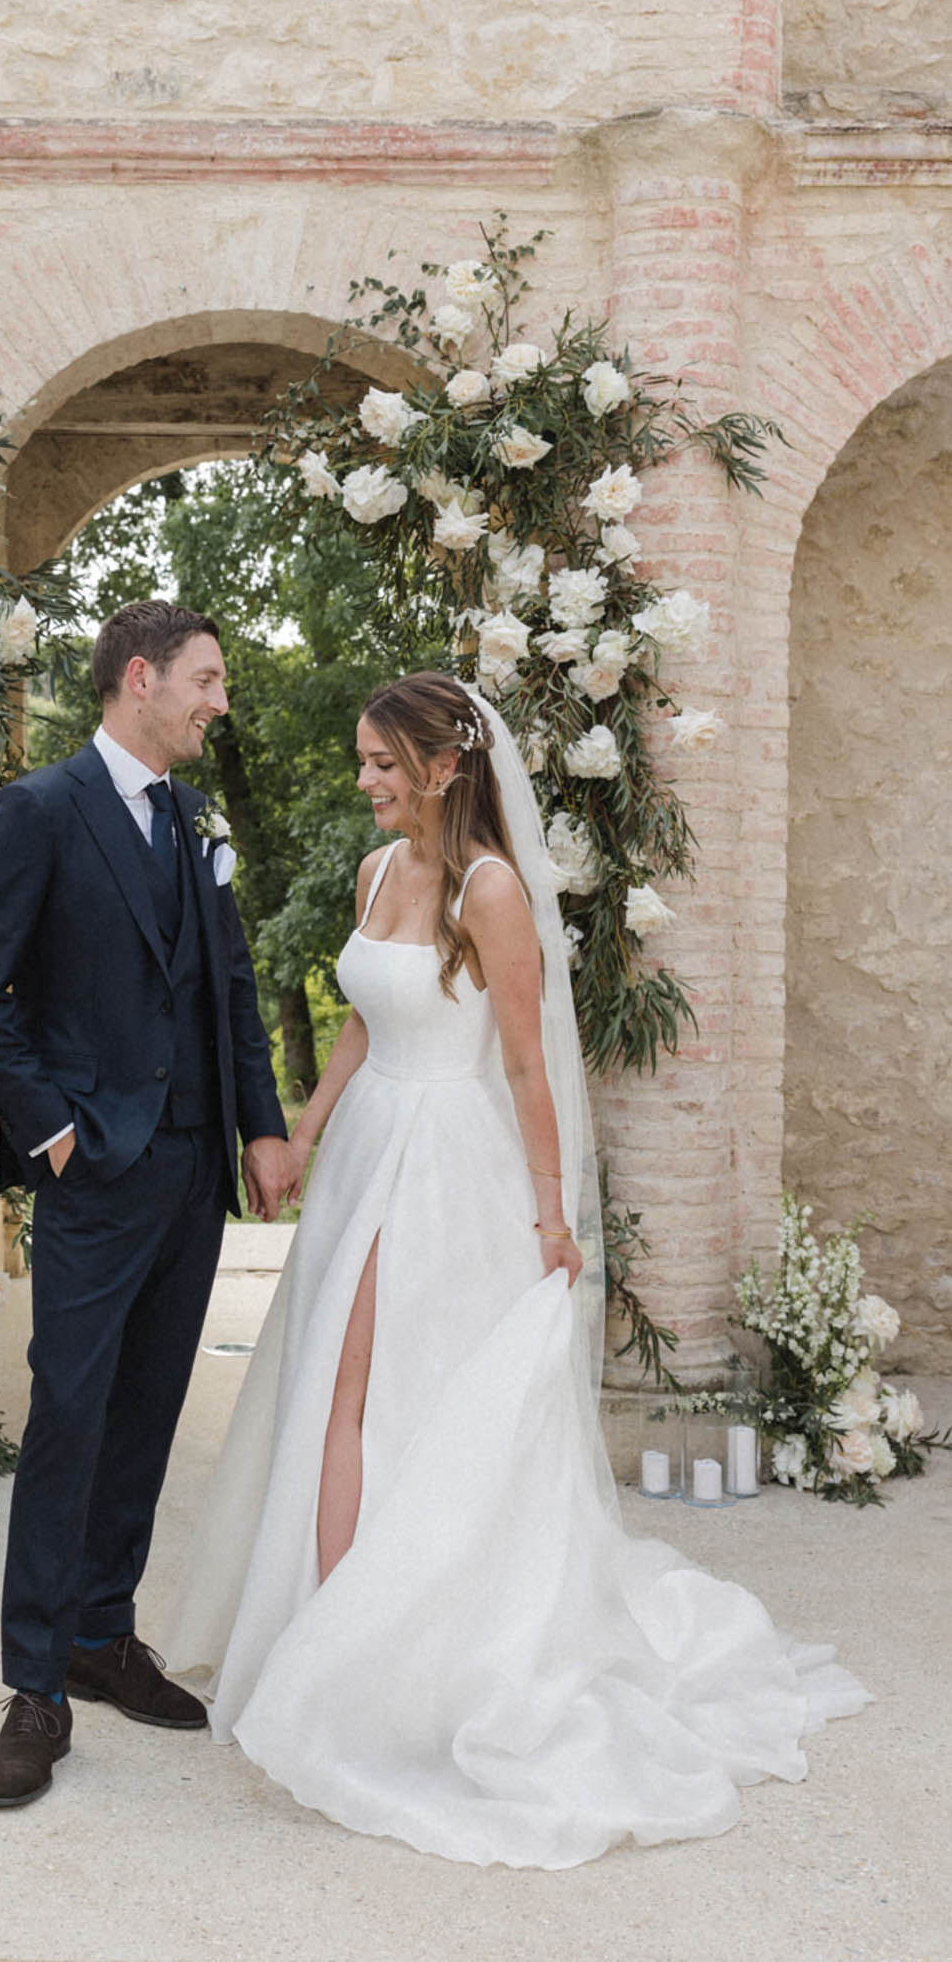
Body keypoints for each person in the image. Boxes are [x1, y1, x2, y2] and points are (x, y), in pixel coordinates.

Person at [165, 670, 869, 1870]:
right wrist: (308, 1120)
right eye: (361, 761)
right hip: (368, 1148)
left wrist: (550, 1214)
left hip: (452, 1167)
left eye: (385, 764)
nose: (367, 782)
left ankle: (371, 1648)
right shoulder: (376, 873)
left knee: (391, 1388)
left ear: (445, 766)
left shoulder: (492, 889)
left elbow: (534, 1066)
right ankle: (326, 1625)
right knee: (328, 1382)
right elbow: (361, 1017)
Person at [0, 599, 293, 1809]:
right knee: (71, 1419)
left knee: (146, 1411)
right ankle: (35, 1682)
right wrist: (52, 1133)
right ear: (139, 679)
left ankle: (102, 1634)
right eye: (206, 678)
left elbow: (233, 981)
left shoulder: (197, 819)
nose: (219, 700)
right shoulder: (37, 810)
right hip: (93, 1167)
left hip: (194, 1166)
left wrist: (260, 1122)